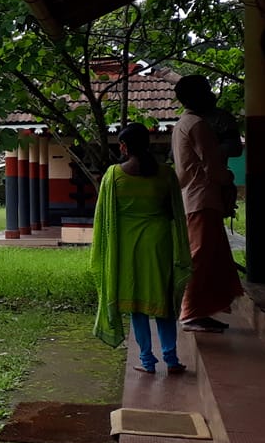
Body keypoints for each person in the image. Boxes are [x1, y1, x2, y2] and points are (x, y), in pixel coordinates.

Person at [92, 123, 192, 373]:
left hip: (126, 246)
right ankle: (171, 359)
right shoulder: (166, 174)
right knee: (163, 301)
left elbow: (104, 219)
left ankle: (147, 360)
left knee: (136, 302)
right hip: (159, 243)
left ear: (124, 147)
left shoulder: (113, 176)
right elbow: (174, 213)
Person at [171, 75, 245, 332]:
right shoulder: (198, 125)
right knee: (201, 257)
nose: (212, 95)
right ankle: (190, 312)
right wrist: (229, 178)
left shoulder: (183, 123)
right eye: (207, 91)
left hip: (193, 198)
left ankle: (199, 311)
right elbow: (213, 169)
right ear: (199, 96)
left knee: (210, 256)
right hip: (201, 199)